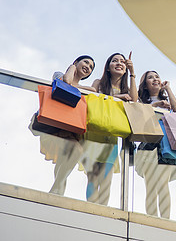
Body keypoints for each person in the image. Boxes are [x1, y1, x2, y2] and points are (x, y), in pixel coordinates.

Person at [79, 52, 137, 205]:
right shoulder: (99, 83)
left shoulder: (127, 88)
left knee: (106, 181)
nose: (119, 63)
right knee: (92, 178)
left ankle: (102, 213)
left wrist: (132, 73)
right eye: (114, 61)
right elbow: (91, 99)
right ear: (108, 67)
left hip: (111, 139)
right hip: (93, 135)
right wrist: (119, 98)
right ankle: (91, 211)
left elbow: (135, 101)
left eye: (122, 62)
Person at [35, 55, 96, 195]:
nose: (88, 67)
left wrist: (77, 86)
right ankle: (58, 187)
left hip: (71, 127)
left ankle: (57, 190)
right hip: (55, 125)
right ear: (76, 62)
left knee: (66, 159)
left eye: (91, 67)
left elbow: (93, 91)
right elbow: (66, 81)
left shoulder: (86, 88)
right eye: (85, 62)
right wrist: (72, 67)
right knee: (75, 152)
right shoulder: (59, 74)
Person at [135, 70, 176, 219]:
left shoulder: (168, 102)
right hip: (148, 147)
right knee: (151, 186)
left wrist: (168, 89)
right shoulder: (141, 102)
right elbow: (138, 117)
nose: (155, 79)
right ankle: (152, 221)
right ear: (144, 85)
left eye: (157, 76)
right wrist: (154, 106)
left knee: (163, 185)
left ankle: (165, 221)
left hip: (166, 147)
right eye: (150, 77)